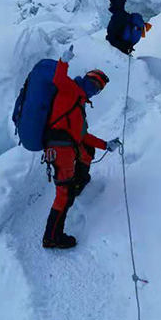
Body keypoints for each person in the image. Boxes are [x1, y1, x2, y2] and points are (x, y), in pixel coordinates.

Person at [42, 47, 121, 249]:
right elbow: (58, 79)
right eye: (94, 83)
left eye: (98, 88)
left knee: (66, 192)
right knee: (63, 195)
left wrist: (106, 145)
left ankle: (55, 232)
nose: (94, 89)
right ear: (85, 79)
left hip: (65, 151)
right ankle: (51, 237)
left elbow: (83, 137)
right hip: (60, 150)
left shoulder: (78, 103)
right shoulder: (70, 89)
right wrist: (63, 60)